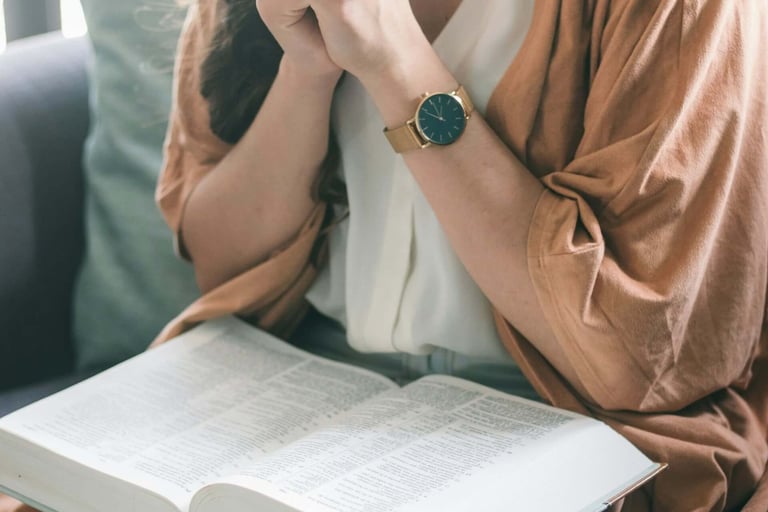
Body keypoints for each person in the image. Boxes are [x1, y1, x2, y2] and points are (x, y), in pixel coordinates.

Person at [2, 0, 766, 511]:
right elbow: (223, 269)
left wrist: (397, 66)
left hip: (564, 424)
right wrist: (307, 69)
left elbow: (647, 354)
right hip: (295, 386)